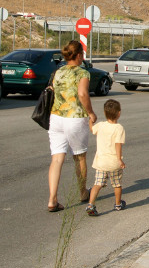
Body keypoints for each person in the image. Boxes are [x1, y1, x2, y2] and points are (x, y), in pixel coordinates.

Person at [45, 40, 97, 212]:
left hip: (56, 117)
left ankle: (52, 199)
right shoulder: (83, 72)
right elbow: (82, 93)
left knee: (56, 158)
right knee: (79, 157)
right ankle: (83, 192)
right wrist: (91, 112)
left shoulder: (58, 71)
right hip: (74, 118)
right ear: (79, 55)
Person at [85, 99, 127, 216]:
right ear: (119, 113)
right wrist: (119, 159)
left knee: (97, 184)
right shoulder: (119, 128)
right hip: (113, 162)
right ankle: (118, 204)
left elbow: (92, 129)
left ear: (104, 113)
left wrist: (90, 121)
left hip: (101, 162)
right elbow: (118, 144)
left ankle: (90, 204)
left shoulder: (101, 125)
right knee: (117, 184)